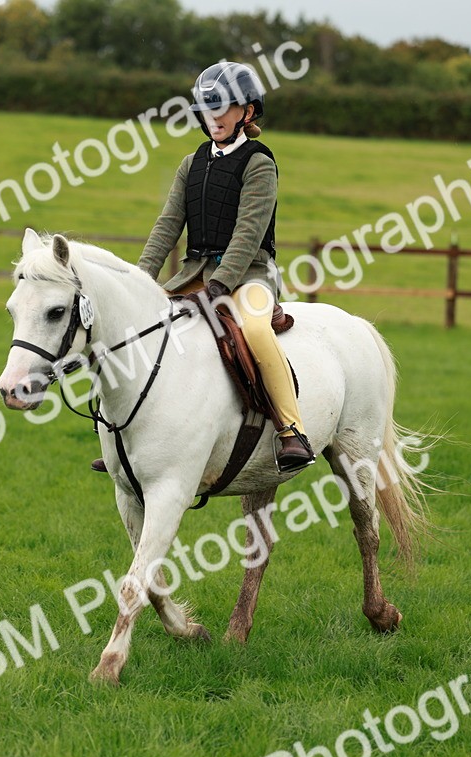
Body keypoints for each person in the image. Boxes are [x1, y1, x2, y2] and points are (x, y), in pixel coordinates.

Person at [92, 61, 314, 475]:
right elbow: (166, 227)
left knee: (256, 332)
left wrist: (221, 285)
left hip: (250, 276)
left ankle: (290, 430)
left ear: (246, 112)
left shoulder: (259, 163)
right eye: (207, 109)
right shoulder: (190, 164)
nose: (213, 118)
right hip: (193, 274)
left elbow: (248, 235)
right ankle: (122, 436)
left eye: (223, 108)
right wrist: (137, 281)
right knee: (140, 327)